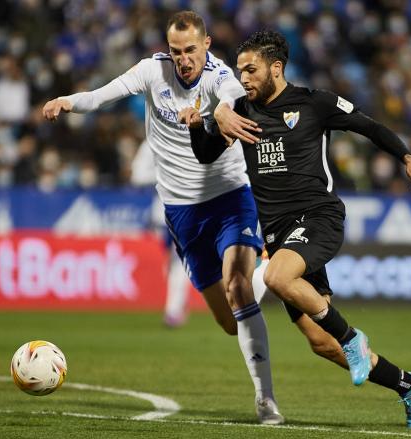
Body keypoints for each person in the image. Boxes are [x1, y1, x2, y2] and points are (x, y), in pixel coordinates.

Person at [43, 11, 283, 424]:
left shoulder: (219, 76)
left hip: (229, 198)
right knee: (229, 321)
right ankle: (269, 273)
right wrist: (69, 102)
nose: (183, 59)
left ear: (206, 45)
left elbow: (229, 97)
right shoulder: (152, 71)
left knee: (238, 286)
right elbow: (104, 94)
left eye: (191, 50)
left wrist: (224, 111)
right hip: (181, 212)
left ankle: (265, 401)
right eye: (176, 51)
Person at [182, 30, 411, 428]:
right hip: (280, 234)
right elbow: (206, 153)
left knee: (279, 277)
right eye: (240, 69)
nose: (243, 77)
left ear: (276, 68)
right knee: (321, 342)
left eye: (251, 69)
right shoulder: (240, 110)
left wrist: (408, 157)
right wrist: (197, 125)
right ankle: (408, 385)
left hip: (318, 218)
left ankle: (354, 340)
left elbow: (370, 127)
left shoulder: (315, 102)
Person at [130, 139, 191, 328]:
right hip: (165, 211)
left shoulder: (189, 135)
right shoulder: (151, 143)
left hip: (191, 207)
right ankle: (175, 307)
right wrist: (168, 172)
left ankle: (174, 310)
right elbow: (137, 176)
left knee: (180, 261)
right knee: (174, 263)